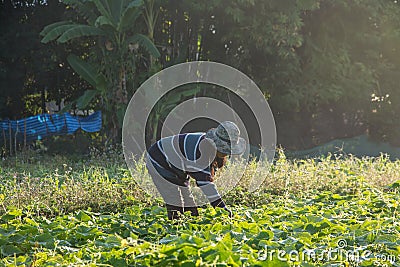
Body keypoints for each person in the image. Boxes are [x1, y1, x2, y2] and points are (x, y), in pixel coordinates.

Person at [146, 121, 246, 220]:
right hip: (158, 159)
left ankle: (188, 226)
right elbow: (206, 185)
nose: (226, 154)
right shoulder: (202, 150)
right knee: (175, 201)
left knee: (189, 203)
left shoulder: (210, 151)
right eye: (224, 150)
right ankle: (173, 231)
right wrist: (223, 210)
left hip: (178, 165)